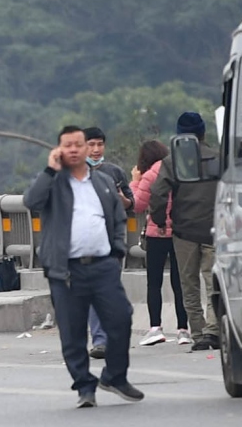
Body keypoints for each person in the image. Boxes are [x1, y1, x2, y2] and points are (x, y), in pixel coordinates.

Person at [23, 125, 144, 408]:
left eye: (80, 144)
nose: (75, 149)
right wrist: (50, 170)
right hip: (66, 271)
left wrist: (117, 251)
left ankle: (114, 375)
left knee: (121, 318)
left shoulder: (101, 181)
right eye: (69, 145)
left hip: (103, 266)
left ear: (88, 148)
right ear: (60, 150)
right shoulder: (53, 182)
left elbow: (117, 217)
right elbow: (32, 202)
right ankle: (84, 386)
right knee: (72, 331)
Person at [149, 111, 223, 351]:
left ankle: (199, 333)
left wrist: (160, 221)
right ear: (203, 133)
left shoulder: (172, 162)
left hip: (184, 232)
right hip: (215, 229)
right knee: (213, 283)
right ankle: (214, 330)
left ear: (180, 136)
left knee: (188, 284)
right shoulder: (218, 157)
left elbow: (158, 194)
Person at [131, 139, 189, 346]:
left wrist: (135, 180)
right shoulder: (178, 171)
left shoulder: (149, 175)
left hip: (157, 234)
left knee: (154, 282)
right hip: (180, 233)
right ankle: (184, 329)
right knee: (179, 282)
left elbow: (137, 204)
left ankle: (156, 328)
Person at [83, 126, 133, 359]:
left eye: (99, 144)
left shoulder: (115, 172)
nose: (95, 149)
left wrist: (119, 196)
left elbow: (130, 203)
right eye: (91, 145)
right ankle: (100, 340)